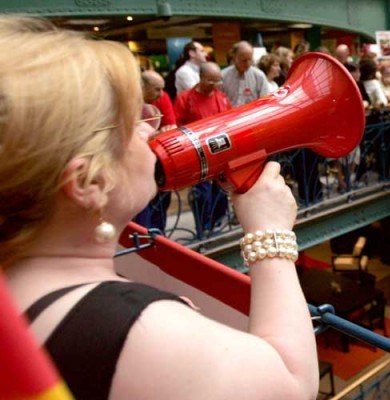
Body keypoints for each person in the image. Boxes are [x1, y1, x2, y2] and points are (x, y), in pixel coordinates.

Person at [1, 16, 319, 400]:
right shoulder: (132, 331)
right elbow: (293, 384)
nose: (150, 130)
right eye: (131, 123)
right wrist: (272, 234)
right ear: (89, 183)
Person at [174, 62, 231, 235]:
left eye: (217, 81)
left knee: (221, 193)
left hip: (219, 152)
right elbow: (178, 126)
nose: (214, 86)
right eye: (210, 81)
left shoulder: (221, 97)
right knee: (202, 195)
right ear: (200, 78)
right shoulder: (185, 99)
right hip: (198, 155)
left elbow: (229, 120)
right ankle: (203, 228)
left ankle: (217, 224)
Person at [135, 70, 177, 233]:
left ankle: (158, 237)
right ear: (142, 86)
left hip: (159, 162)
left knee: (160, 205)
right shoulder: (129, 103)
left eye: (162, 89)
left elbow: (171, 127)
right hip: (138, 168)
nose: (161, 95)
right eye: (156, 89)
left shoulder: (163, 97)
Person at [221, 40, 269, 107]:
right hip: (231, 115)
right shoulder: (223, 76)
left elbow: (265, 101)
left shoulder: (259, 76)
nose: (248, 64)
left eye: (250, 60)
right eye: (244, 60)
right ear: (234, 57)